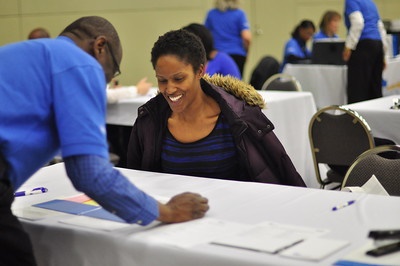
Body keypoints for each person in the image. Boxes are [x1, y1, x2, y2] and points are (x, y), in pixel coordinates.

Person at [0, 16, 209, 265]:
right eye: (110, 73)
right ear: (100, 46)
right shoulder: (81, 64)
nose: (105, 82)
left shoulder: (24, 53)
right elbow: (90, 173)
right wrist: (167, 212)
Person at [127, 29, 305, 187]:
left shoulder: (240, 118)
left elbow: (281, 173)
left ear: (200, 71)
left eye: (179, 79)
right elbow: (137, 182)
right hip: (175, 220)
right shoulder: (149, 121)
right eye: (162, 80)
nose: (170, 89)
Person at [343, 0, 388, 104]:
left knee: (357, 89)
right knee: (375, 88)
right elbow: (381, 28)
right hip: (378, 45)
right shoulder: (371, 3)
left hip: (363, 46)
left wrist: (349, 46)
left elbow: (358, 23)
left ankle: (356, 119)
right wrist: (384, 55)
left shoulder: (352, 1)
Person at [204, 0, 251, 77]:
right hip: (237, 55)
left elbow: (205, 35)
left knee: (215, 84)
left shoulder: (211, 14)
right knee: (236, 85)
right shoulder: (239, 14)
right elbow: (246, 37)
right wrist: (246, 53)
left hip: (216, 55)